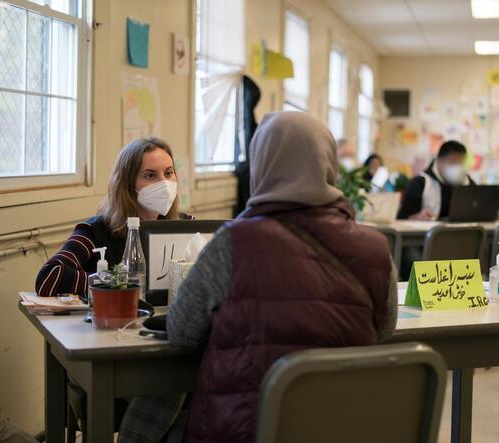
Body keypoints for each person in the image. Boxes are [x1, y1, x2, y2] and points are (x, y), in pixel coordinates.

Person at [118, 112, 398, 443]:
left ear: (260, 164)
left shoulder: (233, 243)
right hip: (342, 427)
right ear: (329, 165)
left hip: (246, 429)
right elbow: (384, 330)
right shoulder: (375, 247)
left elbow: (180, 331)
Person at [35, 138, 188, 297]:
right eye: (150, 175)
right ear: (127, 184)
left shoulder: (186, 226)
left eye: (169, 173)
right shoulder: (94, 231)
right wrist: (118, 283)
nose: (164, 183)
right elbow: (49, 277)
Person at [398, 140, 474, 220]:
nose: (457, 167)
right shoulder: (419, 183)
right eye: (453, 162)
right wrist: (416, 217)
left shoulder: (467, 181)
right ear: (439, 161)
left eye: (461, 163)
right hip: (428, 231)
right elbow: (402, 218)